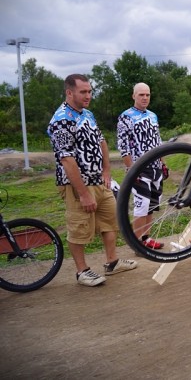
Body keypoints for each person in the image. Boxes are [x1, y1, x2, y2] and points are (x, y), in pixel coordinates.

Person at [48, 74, 137, 287]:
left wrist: (106, 171)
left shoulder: (87, 113)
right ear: (69, 92)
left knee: (110, 219)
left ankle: (112, 262)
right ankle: (82, 271)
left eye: (90, 91)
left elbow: (101, 141)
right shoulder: (61, 120)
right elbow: (67, 160)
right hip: (77, 184)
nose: (88, 96)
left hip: (98, 180)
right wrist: (84, 193)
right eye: (83, 92)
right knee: (79, 227)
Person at [116, 82, 165, 250]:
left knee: (151, 204)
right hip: (139, 167)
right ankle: (137, 243)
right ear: (134, 96)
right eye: (141, 95)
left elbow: (158, 141)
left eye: (147, 95)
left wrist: (163, 163)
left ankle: (146, 238)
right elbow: (123, 146)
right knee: (141, 204)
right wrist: (131, 168)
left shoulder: (153, 116)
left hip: (155, 166)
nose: (145, 98)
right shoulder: (126, 116)